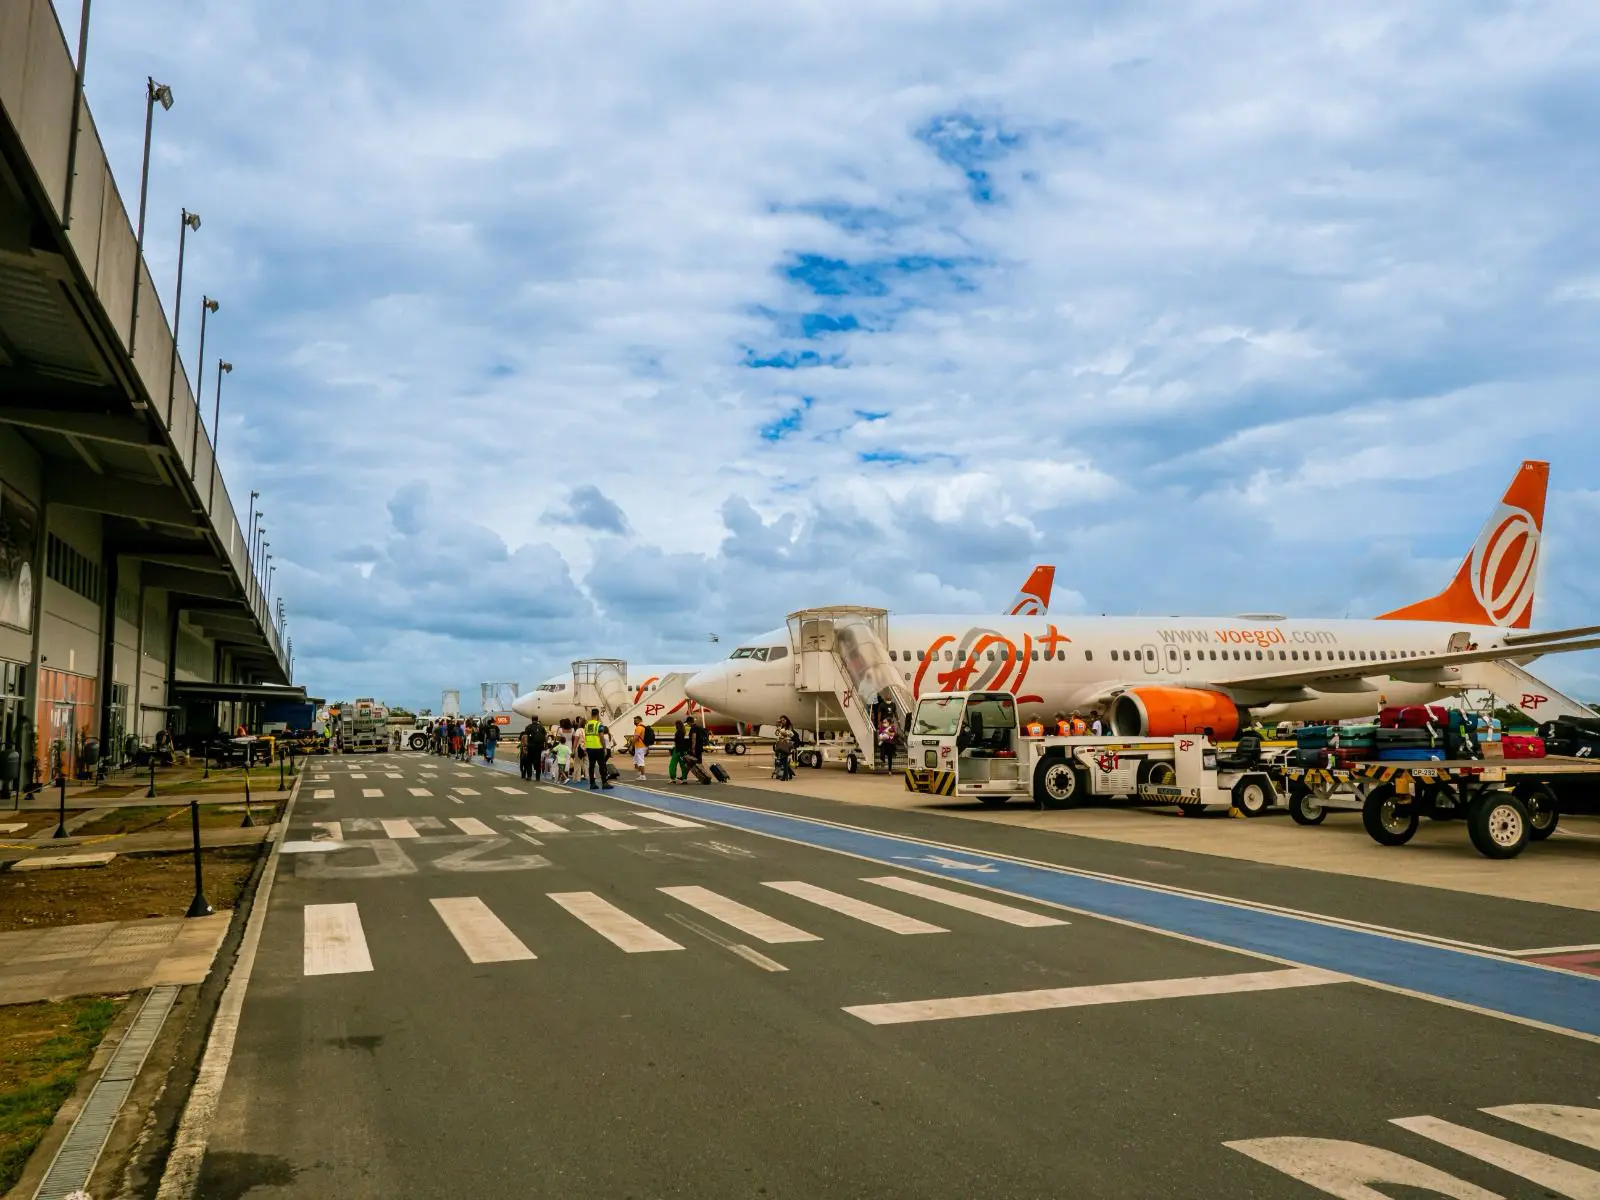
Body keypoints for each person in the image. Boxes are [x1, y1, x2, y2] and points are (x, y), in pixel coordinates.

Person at [584, 708, 611, 790]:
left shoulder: (587, 725)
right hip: (598, 747)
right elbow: (601, 737)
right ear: (598, 714)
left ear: (591, 714)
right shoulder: (599, 725)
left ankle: (592, 784)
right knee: (601, 765)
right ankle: (604, 783)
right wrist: (604, 747)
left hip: (589, 747)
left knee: (591, 766)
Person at [681, 715, 712, 784]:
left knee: (691, 762)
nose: (687, 724)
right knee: (697, 762)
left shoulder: (693, 728)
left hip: (695, 748)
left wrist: (693, 749)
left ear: (689, 722)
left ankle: (704, 777)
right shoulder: (699, 727)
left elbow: (694, 739)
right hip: (700, 747)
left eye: (687, 723)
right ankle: (703, 776)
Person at [773, 715, 796, 781]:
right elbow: (777, 734)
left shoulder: (789, 726)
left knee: (784, 759)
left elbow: (790, 734)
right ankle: (789, 772)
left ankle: (785, 776)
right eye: (781, 720)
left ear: (787, 720)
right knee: (781, 760)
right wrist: (778, 726)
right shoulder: (781, 727)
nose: (783, 721)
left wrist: (782, 731)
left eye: (784, 720)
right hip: (780, 744)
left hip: (786, 744)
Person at [527, 717, 547, 782]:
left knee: (529, 761)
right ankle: (538, 777)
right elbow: (545, 735)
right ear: (537, 720)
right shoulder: (541, 727)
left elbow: (527, 734)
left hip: (531, 746)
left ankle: (529, 776)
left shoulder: (529, 727)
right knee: (538, 761)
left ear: (532, 720)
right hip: (539, 747)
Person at [630, 716, 649, 781]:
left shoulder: (639, 728)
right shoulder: (644, 727)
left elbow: (636, 738)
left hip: (640, 746)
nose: (634, 722)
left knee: (640, 761)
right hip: (642, 746)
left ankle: (643, 775)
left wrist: (631, 745)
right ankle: (640, 773)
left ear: (638, 720)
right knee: (636, 760)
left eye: (635, 720)